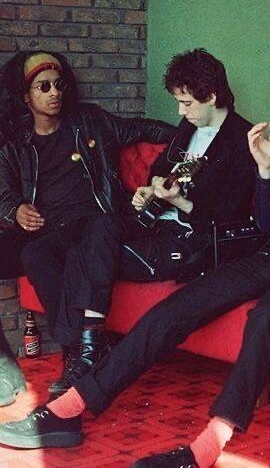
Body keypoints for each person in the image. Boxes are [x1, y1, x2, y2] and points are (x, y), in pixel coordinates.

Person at [0, 54, 270, 467]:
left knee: (265, 317)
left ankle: (205, 448)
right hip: (269, 253)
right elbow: (268, 222)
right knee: (174, 310)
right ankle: (70, 408)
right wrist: (265, 171)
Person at [48, 48, 256, 394]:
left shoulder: (241, 141)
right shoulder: (189, 127)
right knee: (100, 226)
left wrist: (180, 201)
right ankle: (87, 351)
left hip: (193, 242)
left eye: (186, 102)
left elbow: (228, 216)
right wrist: (150, 188)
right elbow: (161, 169)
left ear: (211, 96)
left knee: (83, 254)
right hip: (156, 223)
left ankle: (84, 353)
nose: (180, 111)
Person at [0, 50, 174, 394]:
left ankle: (75, 354)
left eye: (58, 84)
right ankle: (19, 363)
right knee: (34, 252)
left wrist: (196, 139)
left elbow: (142, 128)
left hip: (93, 220)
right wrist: (15, 210)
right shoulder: (15, 142)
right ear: (26, 96)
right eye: (43, 86)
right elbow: (3, 191)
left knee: (39, 254)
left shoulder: (88, 120)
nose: (54, 92)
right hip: (46, 227)